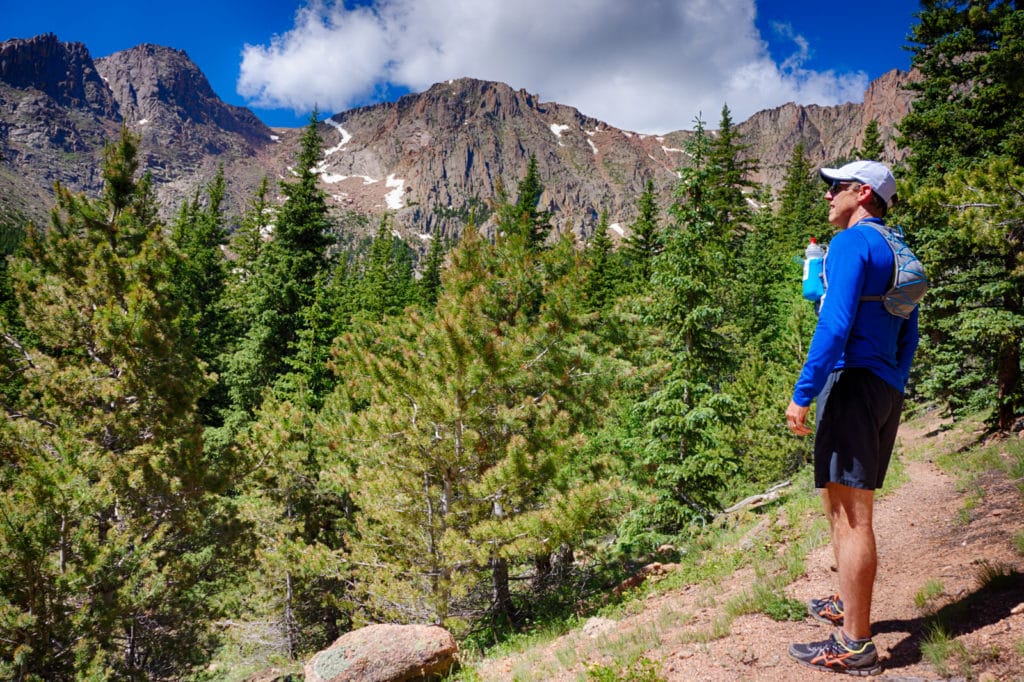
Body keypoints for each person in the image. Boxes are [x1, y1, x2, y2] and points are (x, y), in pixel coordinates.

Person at [785, 160, 920, 676]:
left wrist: (803, 393)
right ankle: (849, 602)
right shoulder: (895, 248)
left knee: (853, 515)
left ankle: (855, 644)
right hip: (883, 386)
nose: (827, 197)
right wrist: (893, 382)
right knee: (841, 503)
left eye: (835, 187)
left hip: (849, 382)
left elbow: (834, 324)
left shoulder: (849, 244)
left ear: (862, 193)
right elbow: (909, 334)